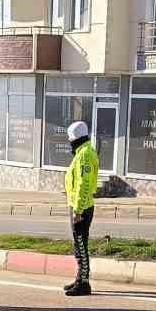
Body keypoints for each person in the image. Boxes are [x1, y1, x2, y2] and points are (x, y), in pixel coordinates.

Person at [63, 120, 98, 297]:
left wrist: (77, 210)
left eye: (70, 138)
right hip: (80, 206)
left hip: (81, 208)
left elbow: (84, 184)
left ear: (75, 138)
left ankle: (83, 283)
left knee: (81, 246)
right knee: (79, 244)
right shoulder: (84, 151)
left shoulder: (84, 154)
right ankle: (80, 279)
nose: (69, 141)